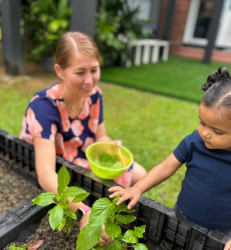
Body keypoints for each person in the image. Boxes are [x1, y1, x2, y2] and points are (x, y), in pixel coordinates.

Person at [19, 31, 146, 244]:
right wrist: (84, 211)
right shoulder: (43, 106)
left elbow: (100, 135)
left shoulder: (95, 94)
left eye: (94, 70)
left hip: (82, 153)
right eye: (80, 72)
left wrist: (108, 146)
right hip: (56, 160)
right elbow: (45, 173)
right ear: (59, 71)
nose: (89, 80)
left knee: (141, 175)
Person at [109, 66, 231, 250]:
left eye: (217, 131)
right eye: (202, 122)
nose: (205, 133)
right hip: (181, 217)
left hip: (221, 234)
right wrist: (138, 187)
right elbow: (165, 167)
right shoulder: (194, 142)